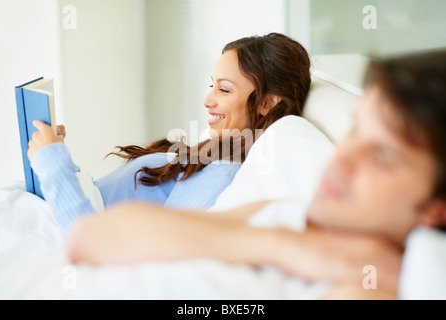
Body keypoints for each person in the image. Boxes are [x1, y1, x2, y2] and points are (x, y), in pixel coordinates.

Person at [66, 49, 446, 299]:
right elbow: (88, 236)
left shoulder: (367, 285)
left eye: (382, 155)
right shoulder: (292, 218)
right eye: (356, 130)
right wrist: (289, 247)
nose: (342, 160)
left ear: (436, 209)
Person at [26, 33, 312, 230]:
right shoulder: (214, 155)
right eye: (211, 85)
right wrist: (59, 159)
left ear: (265, 103)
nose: (208, 100)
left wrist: (53, 163)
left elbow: (100, 245)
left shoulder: (224, 177)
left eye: (224, 89)